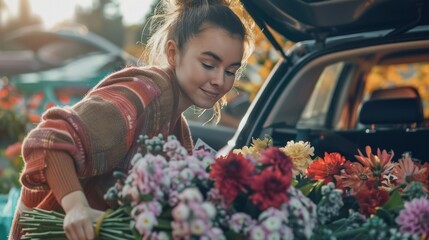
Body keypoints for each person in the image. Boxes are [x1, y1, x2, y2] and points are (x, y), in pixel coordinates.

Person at [9, 0, 254, 239]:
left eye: (231, 71)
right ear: (173, 53)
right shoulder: (145, 91)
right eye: (209, 64)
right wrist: (75, 206)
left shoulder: (178, 129)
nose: (220, 81)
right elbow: (50, 138)